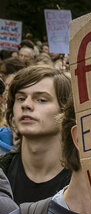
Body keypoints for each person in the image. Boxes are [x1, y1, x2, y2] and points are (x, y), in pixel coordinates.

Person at [0, 66, 71, 204]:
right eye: (20, 98)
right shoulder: (3, 171)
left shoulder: (84, 181)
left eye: (41, 100)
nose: (26, 104)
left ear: (65, 110)